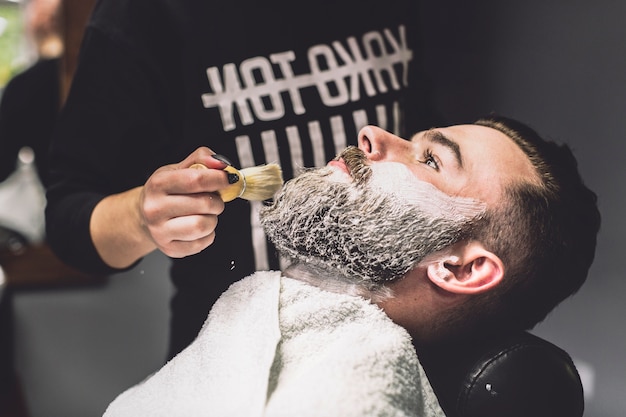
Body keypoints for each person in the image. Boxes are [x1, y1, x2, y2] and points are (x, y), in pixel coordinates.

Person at [101, 115, 600, 416]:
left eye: (430, 160)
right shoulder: (258, 311)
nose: (372, 135)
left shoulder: (352, 387)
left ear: (460, 269)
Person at [45, 0, 443, 358]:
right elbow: (68, 222)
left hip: (390, 340)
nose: (370, 140)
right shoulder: (143, 14)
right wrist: (141, 215)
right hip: (232, 357)